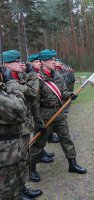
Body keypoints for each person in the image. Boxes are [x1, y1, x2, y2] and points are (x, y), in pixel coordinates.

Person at [29, 49, 86, 182]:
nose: (54, 62)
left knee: (66, 138)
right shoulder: (37, 79)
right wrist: (38, 122)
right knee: (39, 144)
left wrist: (70, 96)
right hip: (45, 115)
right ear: (43, 62)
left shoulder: (57, 76)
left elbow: (63, 93)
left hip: (59, 113)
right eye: (51, 60)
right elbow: (34, 104)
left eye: (54, 59)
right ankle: (31, 169)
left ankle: (72, 164)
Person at [2, 50, 43, 199]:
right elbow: (31, 93)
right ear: (6, 64)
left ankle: (22, 188)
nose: (21, 64)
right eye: (16, 61)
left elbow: (33, 93)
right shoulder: (6, 82)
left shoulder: (20, 77)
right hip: (10, 132)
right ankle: (18, 191)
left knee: (23, 160)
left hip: (23, 127)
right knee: (14, 166)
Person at [0, 66, 27, 200]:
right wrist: (11, 82)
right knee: (8, 192)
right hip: (5, 154)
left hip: (10, 149)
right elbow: (20, 110)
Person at [28, 53, 57, 162]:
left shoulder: (37, 74)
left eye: (38, 61)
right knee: (36, 137)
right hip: (32, 111)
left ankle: (41, 153)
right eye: (36, 61)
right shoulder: (31, 76)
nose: (39, 63)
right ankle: (33, 162)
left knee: (40, 137)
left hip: (38, 111)